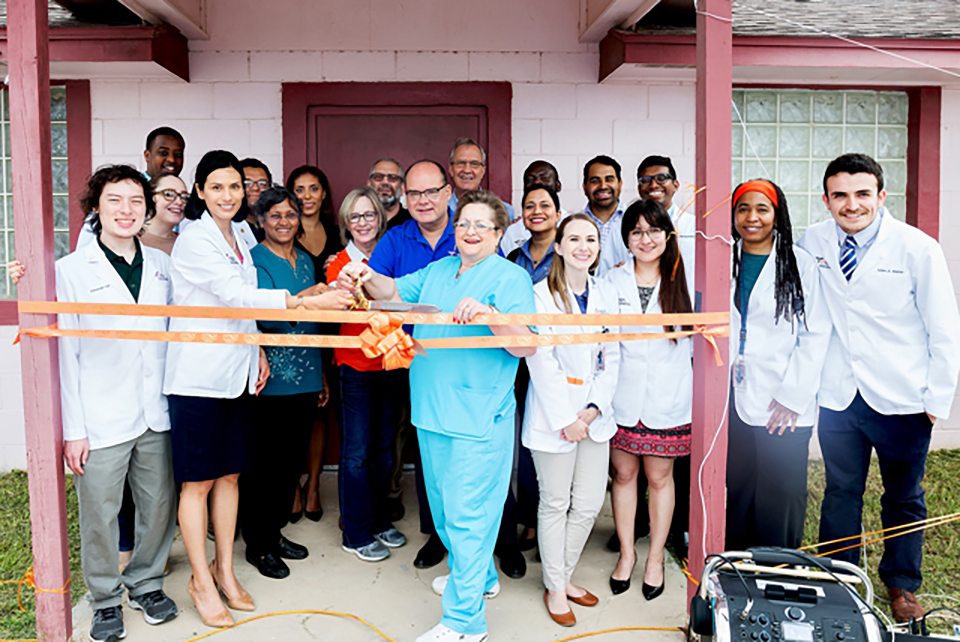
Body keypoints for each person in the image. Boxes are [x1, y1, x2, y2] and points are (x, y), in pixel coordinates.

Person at [338, 189, 536, 642]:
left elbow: (526, 345)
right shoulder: (441, 269)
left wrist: (490, 314)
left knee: (468, 516)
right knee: (447, 515)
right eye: (462, 223)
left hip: (478, 416)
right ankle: (480, 578)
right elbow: (391, 295)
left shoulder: (509, 279)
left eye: (480, 225)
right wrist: (365, 273)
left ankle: (464, 622)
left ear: (499, 233)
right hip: (432, 412)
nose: (468, 232)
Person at [163, 150, 349, 628]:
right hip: (199, 380)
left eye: (234, 187)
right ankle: (201, 580)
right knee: (199, 482)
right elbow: (236, 295)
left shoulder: (240, 234)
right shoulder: (195, 241)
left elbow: (240, 312)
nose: (228, 196)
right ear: (200, 192)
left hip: (239, 374)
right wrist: (302, 302)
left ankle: (226, 571)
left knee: (230, 477)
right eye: (217, 187)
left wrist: (258, 352)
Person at [797, 153, 960, 623]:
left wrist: (934, 402)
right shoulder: (813, 242)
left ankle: (902, 585)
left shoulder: (916, 248)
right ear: (827, 200)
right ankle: (840, 578)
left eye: (862, 193)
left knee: (903, 496)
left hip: (902, 398)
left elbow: (944, 329)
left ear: (881, 196)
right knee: (840, 490)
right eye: (841, 195)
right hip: (839, 398)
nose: (852, 205)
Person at [57, 165, 179, 642]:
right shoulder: (70, 271)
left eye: (135, 201)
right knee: (101, 512)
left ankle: (146, 583)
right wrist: (74, 428)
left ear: (148, 210)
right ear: (96, 208)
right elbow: (67, 353)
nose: (126, 210)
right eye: (115, 200)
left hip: (155, 408)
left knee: (158, 504)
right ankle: (105, 599)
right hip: (100, 414)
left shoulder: (162, 265)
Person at [239, 185, 341, 580]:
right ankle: (257, 545)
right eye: (275, 215)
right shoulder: (253, 261)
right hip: (270, 380)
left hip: (306, 375)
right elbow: (268, 317)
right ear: (260, 220)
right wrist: (311, 296)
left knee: (290, 465)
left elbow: (313, 322)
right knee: (265, 466)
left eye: (291, 214)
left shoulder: (305, 260)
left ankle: (276, 533)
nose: (284, 222)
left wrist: (321, 375)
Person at [523, 214, 620, 627]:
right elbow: (540, 361)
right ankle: (556, 585)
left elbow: (612, 354)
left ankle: (559, 576)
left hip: (595, 415)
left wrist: (594, 408)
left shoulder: (606, 292)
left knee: (588, 504)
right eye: (574, 239)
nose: (584, 246)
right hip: (553, 417)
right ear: (558, 246)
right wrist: (567, 418)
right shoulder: (539, 295)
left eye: (591, 239)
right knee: (556, 502)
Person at [725, 179, 831, 551]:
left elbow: (815, 333)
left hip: (782, 399)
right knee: (738, 486)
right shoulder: (723, 258)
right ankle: (737, 564)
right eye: (743, 209)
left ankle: (779, 566)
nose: (751, 217)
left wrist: (792, 396)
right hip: (732, 396)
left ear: (776, 214)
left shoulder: (799, 263)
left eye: (761, 209)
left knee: (781, 492)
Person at [367, 159, 459, 570]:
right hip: (408, 359)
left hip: (464, 364)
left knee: (469, 452)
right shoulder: (394, 239)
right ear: (405, 197)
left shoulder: (469, 231)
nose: (422, 201)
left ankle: (495, 539)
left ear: (448, 192)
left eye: (430, 192)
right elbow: (378, 293)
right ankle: (436, 535)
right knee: (425, 450)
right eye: (414, 194)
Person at [605, 199, 692, 600]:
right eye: (637, 231)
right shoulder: (611, 280)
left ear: (667, 235)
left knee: (659, 478)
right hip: (621, 397)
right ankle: (627, 554)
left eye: (654, 230)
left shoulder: (684, 277)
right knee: (623, 477)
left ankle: (655, 557)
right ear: (626, 239)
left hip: (667, 396)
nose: (646, 239)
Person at [326, 187, 407, 562]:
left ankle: (377, 521)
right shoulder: (337, 263)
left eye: (369, 215)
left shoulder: (391, 257)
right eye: (355, 216)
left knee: (383, 447)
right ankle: (356, 532)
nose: (363, 223)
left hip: (391, 365)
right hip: (356, 367)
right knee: (356, 452)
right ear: (346, 223)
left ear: (381, 218)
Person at [285, 164, 344, 524]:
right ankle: (292, 485)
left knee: (323, 413)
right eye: (300, 189)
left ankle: (313, 488)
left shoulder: (338, 234)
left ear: (324, 194)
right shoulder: (281, 231)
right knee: (294, 413)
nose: (307, 196)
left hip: (334, 333)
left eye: (314, 189)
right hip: (294, 332)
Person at [500, 160, 564, 254]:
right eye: (530, 206)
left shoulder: (572, 224)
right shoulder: (512, 232)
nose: (537, 182)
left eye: (545, 205)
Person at [582, 155, 630, 275]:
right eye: (595, 181)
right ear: (584, 188)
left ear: (620, 184)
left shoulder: (636, 221)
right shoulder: (573, 223)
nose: (603, 186)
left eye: (609, 179)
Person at [448, 137, 515, 220]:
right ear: (451, 169)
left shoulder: (504, 211)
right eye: (461, 163)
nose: (467, 170)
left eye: (474, 164)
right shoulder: (439, 209)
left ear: (483, 171)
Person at [368, 157, 412, 230]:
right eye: (378, 177)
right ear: (369, 185)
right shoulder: (355, 223)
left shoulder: (414, 224)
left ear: (402, 188)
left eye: (393, 177)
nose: (385, 182)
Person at [241, 158, 273, 242]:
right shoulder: (228, 227)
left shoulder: (276, 224)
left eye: (262, 183)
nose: (255, 188)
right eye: (247, 183)